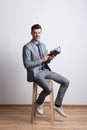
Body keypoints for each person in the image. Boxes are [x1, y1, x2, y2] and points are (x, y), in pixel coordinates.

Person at [22, 24, 69, 117]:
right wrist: (41, 60)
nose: (37, 35)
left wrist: (49, 59)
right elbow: (27, 64)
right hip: (35, 72)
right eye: (35, 33)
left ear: (41, 33)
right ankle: (38, 103)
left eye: (39, 33)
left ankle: (57, 105)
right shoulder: (27, 47)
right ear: (31, 33)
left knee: (66, 82)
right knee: (49, 88)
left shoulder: (43, 45)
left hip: (45, 70)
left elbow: (45, 61)